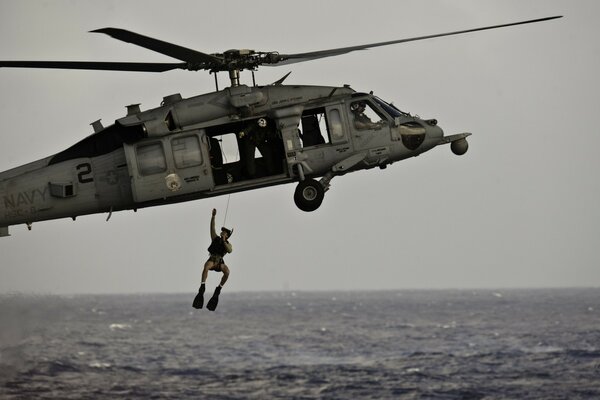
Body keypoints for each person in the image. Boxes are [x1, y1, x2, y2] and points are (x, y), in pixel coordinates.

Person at [193, 208, 233, 311]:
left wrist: (224, 241)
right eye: (222, 232)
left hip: (220, 262)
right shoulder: (215, 238)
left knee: (227, 272)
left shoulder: (228, 244)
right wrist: (213, 216)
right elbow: (212, 228)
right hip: (212, 259)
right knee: (206, 266)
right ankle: (202, 287)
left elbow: (229, 251)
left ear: (227, 236)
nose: (222, 233)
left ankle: (219, 288)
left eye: (225, 233)